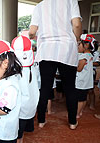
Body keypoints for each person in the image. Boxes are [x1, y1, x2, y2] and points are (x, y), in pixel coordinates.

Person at [29, 0, 82, 130]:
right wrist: (76, 38)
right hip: (67, 48)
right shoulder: (71, 2)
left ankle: (41, 120)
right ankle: (72, 122)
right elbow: (76, 25)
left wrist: (39, 38)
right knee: (70, 87)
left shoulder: (39, 6)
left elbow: (32, 31)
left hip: (46, 49)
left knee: (45, 87)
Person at [11, 36, 39, 143]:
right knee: (22, 129)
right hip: (31, 104)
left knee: (17, 131)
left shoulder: (16, 71)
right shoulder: (33, 67)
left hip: (20, 106)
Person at [76, 34, 95, 118]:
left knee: (79, 99)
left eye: (79, 44)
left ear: (86, 45)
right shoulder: (90, 55)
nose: (78, 46)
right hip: (86, 82)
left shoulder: (83, 57)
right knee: (83, 98)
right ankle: (80, 112)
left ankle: (77, 113)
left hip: (81, 82)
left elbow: (79, 69)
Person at [88, 40, 100, 110]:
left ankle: (92, 104)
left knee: (91, 89)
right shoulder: (84, 52)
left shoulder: (96, 53)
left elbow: (98, 63)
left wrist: (88, 63)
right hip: (83, 72)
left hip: (91, 72)